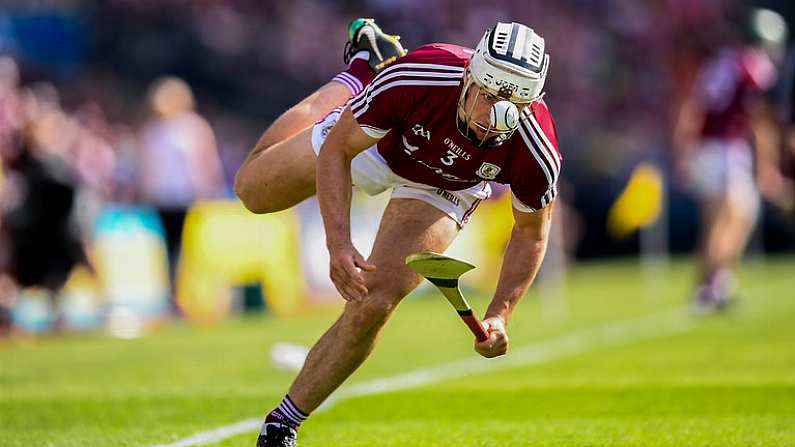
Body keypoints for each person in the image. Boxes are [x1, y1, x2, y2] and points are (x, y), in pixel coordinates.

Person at [235, 19, 561, 446]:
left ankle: (282, 424)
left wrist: (500, 312)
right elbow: (338, 148)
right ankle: (357, 75)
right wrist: (338, 242)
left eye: (511, 107)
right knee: (253, 192)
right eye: (488, 98)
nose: (492, 121)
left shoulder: (536, 147)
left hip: (447, 186)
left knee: (376, 299)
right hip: (381, 143)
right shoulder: (418, 76)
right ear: (469, 77)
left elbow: (531, 232)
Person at [673, 8, 787, 314]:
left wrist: (683, 149)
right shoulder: (753, 65)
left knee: (718, 219)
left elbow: (694, 107)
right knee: (736, 215)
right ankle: (711, 285)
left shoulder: (722, 61)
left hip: (707, 147)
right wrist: (768, 167)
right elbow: (760, 121)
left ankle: (712, 284)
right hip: (725, 148)